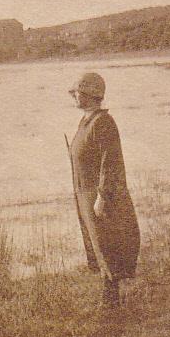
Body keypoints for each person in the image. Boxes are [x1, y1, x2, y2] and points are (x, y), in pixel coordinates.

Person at [66, 72, 140, 308]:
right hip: (84, 192)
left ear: (90, 95)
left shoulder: (103, 122)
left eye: (78, 92)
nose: (75, 96)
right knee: (97, 243)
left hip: (98, 194)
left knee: (106, 241)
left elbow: (111, 162)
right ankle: (109, 294)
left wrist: (102, 196)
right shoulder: (87, 120)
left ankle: (111, 299)